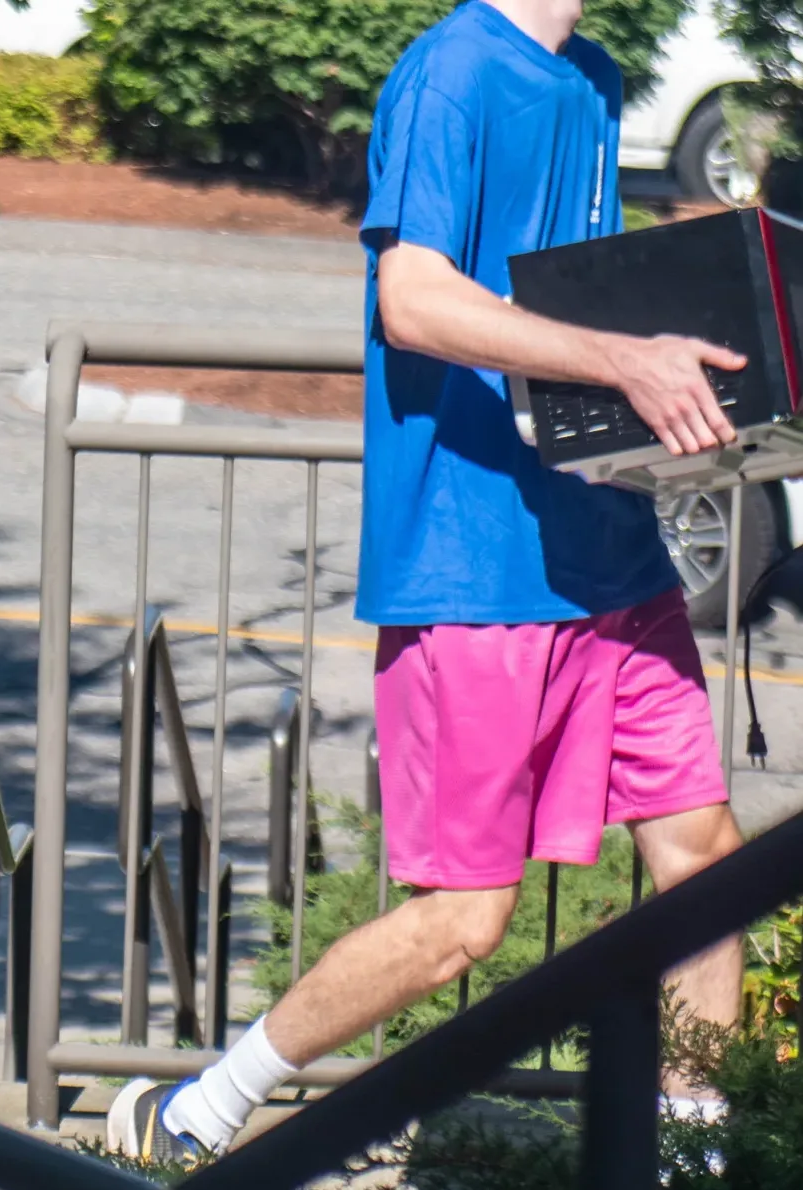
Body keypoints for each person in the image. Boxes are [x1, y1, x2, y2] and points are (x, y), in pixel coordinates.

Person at [111, 0, 747, 1161]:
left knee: (701, 858)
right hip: (478, 568)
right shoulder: (446, 73)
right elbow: (413, 300)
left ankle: (699, 1150)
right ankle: (200, 1106)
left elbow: (569, 301)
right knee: (464, 917)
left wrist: (694, 368)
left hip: (611, 551)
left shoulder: (590, 77)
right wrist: (621, 361)